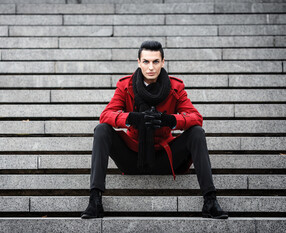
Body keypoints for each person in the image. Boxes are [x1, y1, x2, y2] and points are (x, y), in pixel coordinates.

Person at [81, 41, 228, 219]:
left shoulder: (175, 87)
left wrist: (170, 120)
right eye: (146, 62)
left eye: (155, 62)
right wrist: (130, 118)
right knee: (102, 130)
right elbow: (106, 115)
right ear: (138, 62)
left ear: (163, 62)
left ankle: (210, 200)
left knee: (197, 132)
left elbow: (196, 118)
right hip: (133, 157)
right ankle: (95, 199)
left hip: (164, 157)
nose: (151, 67)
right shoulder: (125, 85)